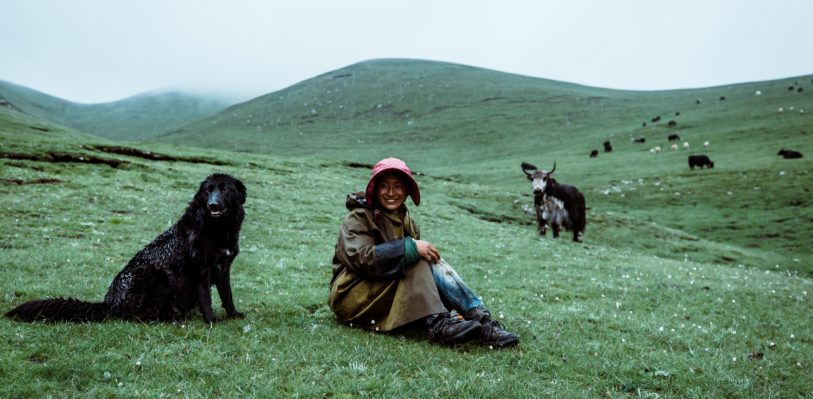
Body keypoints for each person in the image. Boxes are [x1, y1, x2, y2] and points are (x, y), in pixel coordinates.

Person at [328, 157, 518, 347]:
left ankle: (482, 322)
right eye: (384, 186)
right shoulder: (358, 218)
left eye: (398, 186)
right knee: (417, 256)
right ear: (375, 190)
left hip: (384, 291)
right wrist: (409, 248)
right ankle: (438, 323)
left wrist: (412, 249)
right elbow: (360, 257)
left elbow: (419, 280)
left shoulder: (407, 222)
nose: (391, 193)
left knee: (427, 257)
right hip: (352, 296)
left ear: (407, 191)